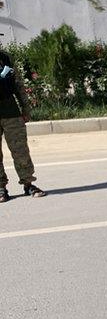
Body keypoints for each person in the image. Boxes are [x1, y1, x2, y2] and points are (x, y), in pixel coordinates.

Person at [0, 46, 46, 202]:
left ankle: (28, 184)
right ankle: (1, 188)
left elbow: (18, 85)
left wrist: (25, 108)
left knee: (20, 151)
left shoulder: (5, 58)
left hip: (11, 114)